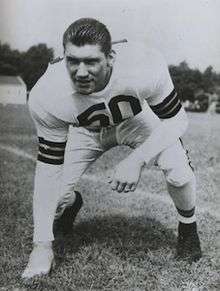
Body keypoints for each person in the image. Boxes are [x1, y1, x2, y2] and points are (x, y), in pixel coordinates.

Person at [22, 18, 202, 279]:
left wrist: (137, 160)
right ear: (64, 57)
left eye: (91, 61)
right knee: (56, 197)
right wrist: (41, 246)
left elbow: (176, 120)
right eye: (73, 60)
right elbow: (48, 167)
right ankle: (72, 204)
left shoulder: (143, 65)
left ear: (110, 57)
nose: (81, 72)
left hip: (134, 121)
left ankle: (188, 229)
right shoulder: (47, 93)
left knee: (179, 170)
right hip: (84, 131)